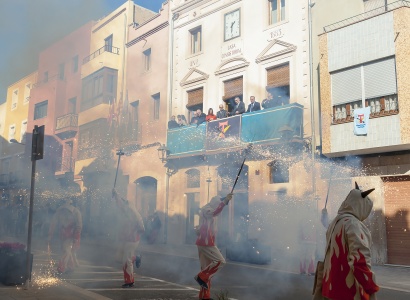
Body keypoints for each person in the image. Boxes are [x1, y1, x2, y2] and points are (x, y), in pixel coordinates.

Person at [315, 182, 379, 300]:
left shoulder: (336, 221)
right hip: (348, 292)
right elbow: (359, 261)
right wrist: (370, 287)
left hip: (330, 289)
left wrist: (324, 218)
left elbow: (328, 226)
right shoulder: (353, 224)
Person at [194, 192, 233, 300]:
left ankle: (204, 297)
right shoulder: (208, 209)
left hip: (204, 243)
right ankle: (201, 277)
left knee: (206, 270)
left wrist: (226, 199)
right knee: (220, 261)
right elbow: (215, 212)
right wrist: (225, 202)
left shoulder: (207, 208)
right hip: (206, 243)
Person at [112, 188, 145, 288]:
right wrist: (116, 194)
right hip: (124, 238)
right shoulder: (124, 211)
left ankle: (129, 281)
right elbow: (120, 203)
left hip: (132, 239)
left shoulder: (135, 215)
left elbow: (142, 227)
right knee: (118, 258)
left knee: (126, 260)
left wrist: (135, 232)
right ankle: (136, 257)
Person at [48, 197, 82, 275]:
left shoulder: (74, 212)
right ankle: (71, 267)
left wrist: (76, 237)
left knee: (66, 251)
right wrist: (50, 235)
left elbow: (79, 226)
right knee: (66, 251)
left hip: (70, 235)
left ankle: (61, 268)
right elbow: (53, 224)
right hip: (65, 234)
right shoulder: (61, 211)